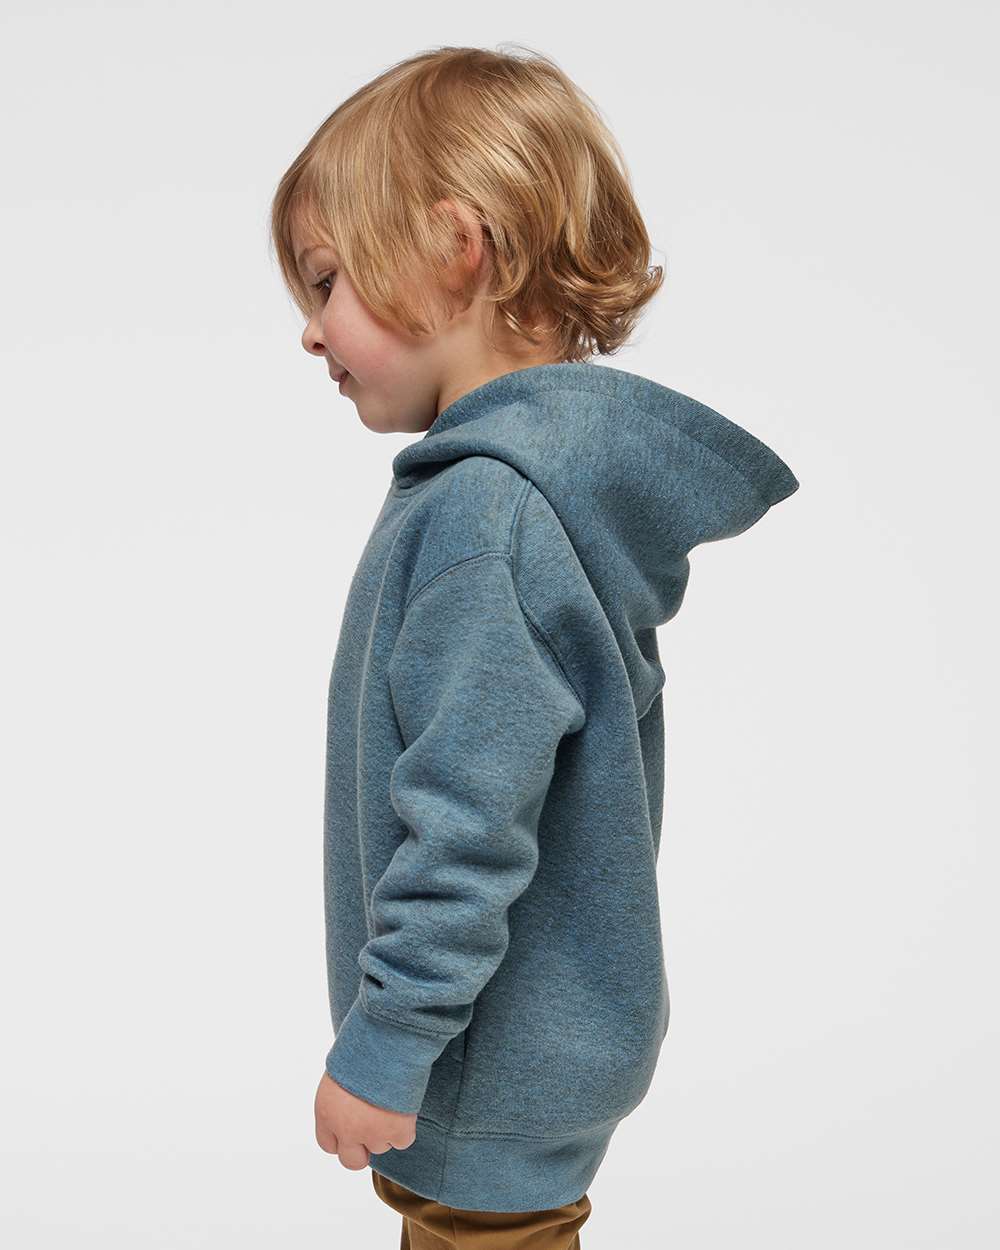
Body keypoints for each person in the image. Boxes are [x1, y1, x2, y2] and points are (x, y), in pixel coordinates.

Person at [269, 42, 799, 1248]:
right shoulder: (526, 495)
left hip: (478, 1063)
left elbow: (467, 822)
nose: (309, 330)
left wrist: (387, 1039)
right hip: (516, 1060)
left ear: (458, 246)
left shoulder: (490, 515)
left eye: (327, 279)